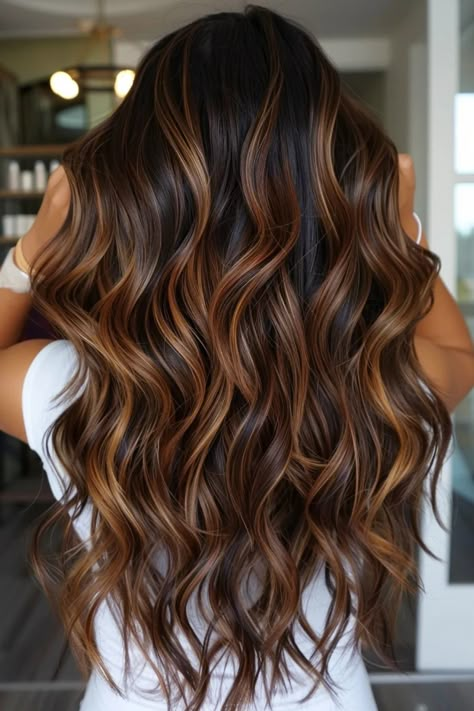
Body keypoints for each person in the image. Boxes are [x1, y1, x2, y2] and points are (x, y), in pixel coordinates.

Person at [0, 4, 473, 710]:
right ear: (334, 191)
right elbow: (457, 349)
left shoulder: (74, 385)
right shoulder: (376, 378)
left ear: (138, 195)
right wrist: (402, 230)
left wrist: (31, 249)